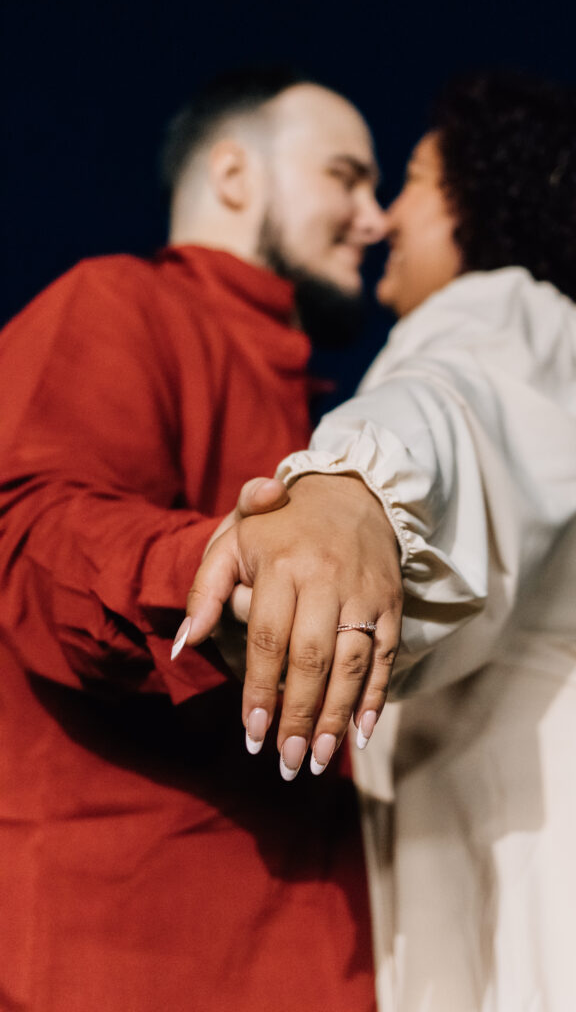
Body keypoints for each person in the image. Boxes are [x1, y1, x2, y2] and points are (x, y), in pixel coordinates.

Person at [185, 72, 576, 1010]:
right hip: (516, 817)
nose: (380, 220)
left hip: (544, 836)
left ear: (485, 203)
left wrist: (356, 491)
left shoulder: (503, 307)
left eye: (411, 180)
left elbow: (458, 405)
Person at [0, 67, 388, 1011]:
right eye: (346, 176)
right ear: (232, 174)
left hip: (330, 956)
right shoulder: (114, 301)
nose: (374, 220)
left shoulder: (330, 418)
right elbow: (33, 532)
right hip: (132, 956)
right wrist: (216, 573)